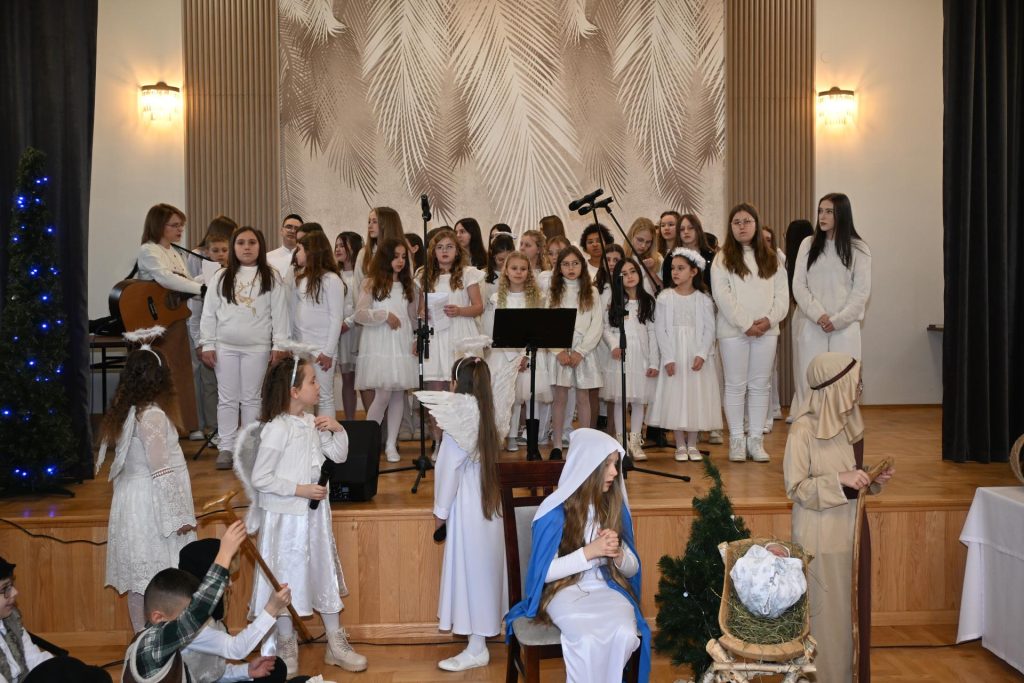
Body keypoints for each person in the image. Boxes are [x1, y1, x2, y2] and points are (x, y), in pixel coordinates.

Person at [246, 355, 366, 675]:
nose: (318, 386)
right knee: (286, 578)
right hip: (285, 520)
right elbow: (260, 477)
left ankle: (335, 643)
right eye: (312, 381)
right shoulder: (277, 429)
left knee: (322, 571)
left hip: (314, 518)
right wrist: (300, 489)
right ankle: (286, 643)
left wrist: (338, 428)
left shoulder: (311, 422)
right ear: (294, 391)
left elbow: (338, 455)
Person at [506, 429, 650, 683]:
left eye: (615, 465)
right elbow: (544, 573)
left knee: (625, 634)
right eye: (608, 465)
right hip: (564, 591)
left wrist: (618, 554)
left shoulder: (613, 508)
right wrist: (589, 552)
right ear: (588, 467)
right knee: (586, 639)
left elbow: (633, 569)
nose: (615, 473)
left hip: (607, 591)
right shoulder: (554, 512)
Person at [784, 352, 894, 683]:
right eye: (855, 383)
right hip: (821, 540)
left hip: (852, 534)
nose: (859, 389)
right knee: (827, 623)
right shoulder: (802, 430)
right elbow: (796, 488)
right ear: (835, 387)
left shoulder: (849, 425)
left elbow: (850, 476)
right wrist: (840, 480)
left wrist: (870, 479)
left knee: (850, 618)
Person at [417, 356, 514, 672]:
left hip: (469, 506)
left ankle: (476, 647)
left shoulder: (459, 421)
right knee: (486, 571)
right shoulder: (492, 413)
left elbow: (448, 470)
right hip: (492, 505)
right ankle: (480, 640)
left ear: (458, 384)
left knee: (472, 573)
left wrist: (440, 513)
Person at [97, 344, 197, 633]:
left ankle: (142, 639)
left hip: (133, 500)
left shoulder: (130, 411)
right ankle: (151, 642)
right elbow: (161, 470)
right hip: (150, 508)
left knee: (140, 583)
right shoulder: (152, 416)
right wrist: (179, 517)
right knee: (156, 580)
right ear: (160, 379)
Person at [200, 227, 290, 470]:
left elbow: (280, 314)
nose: (246, 247)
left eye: (252, 242)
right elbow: (209, 313)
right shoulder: (221, 276)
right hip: (224, 347)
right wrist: (207, 343)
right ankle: (227, 447)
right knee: (227, 399)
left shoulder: (271, 276)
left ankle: (249, 448)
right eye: (241, 242)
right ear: (233, 246)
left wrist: (280, 345)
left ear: (260, 246)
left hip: (257, 348)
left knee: (251, 399)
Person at [121, 521, 247, 683]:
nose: (193, 624)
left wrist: (247, 671)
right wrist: (224, 554)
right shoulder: (154, 646)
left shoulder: (171, 645)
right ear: (158, 617)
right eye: (185, 616)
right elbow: (197, 612)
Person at [711, 204, 788, 462]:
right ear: (730, 227)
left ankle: (756, 440)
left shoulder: (772, 258)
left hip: (767, 332)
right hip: (733, 332)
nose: (742, 226)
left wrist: (768, 321)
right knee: (735, 385)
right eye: (737, 222)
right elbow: (723, 296)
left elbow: (782, 297)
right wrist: (746, 324)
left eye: (747, 221)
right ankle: (736, 439)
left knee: (760, 386)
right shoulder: (722, 259)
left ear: (756, 224)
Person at [177, 540, 303, 683]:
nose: (230, 584)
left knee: (275, 668)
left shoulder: (208, 618)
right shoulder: (188, 623)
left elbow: (211, 673)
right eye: (226, 577)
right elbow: (236, 649)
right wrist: (272, 607)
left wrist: (247, 671)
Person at [791, 193, 872, 411]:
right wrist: (819, 315)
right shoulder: (808, 244)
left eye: (829, 211)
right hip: (812, 324)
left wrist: (837, 320)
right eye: (820, 211)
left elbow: (861, 293)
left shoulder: (859, 248)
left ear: (842, 214)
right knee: (810, 381)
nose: (822, 216)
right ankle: (810, 428)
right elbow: (799, 285)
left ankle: (841, 431)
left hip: (845, 328)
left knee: (844, 384)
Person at [419, 228, 486, 458]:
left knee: (461, 390)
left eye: (449, 247)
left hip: (459, 334)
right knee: (436, 393)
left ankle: (461, 441)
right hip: (436, 335)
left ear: (457, 250)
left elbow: (478, 307)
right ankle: (438, 443)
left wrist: (459, 311)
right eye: (439, 247)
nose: (444, 251)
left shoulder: (468, 274)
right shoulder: (425, 276)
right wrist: (423, 313)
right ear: (433, 252)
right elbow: (420, 309)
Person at [649, 249, 722, 461]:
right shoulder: (665, 298)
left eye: (680, 268)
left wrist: (702, 353)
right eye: (673, 268)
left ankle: (693, 444)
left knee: (694, 396)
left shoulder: (703, 299)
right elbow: (660, 329)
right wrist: (668, 357)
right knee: (676, 396)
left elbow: (709, 329)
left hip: (695, 355)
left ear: (693, 271)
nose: (675, 272)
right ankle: (680, 444)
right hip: (674, 353)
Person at [354, 238, 418, 462]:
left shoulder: (410, 285)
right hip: (380, 343)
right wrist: (383, 315)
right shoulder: (371, 283)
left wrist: (416, 338)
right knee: (382, 394)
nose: (400, 261)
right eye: (395, 256)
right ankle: (368, 442)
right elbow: (360, 314)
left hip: (401, 342)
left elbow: (413, 317)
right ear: (384, 258)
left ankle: (391, 444)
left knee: (398, 393)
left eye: (403, 257)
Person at [0, 557, 112, 682]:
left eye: (12, 585)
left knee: (92, 675)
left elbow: (34, 660)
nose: (14, 592)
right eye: (5, 589)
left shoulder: (11, 620)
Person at [482, 251, 550, 451]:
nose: (518, 272)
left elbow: (538, 330)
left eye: (523, 269)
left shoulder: (538, 298)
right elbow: (494, 331)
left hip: (530, 355)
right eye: (514, 268)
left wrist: (526, 356)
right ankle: (508, 435)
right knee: (508, 398)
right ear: (506, 271)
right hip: (504, 355)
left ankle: (531, 439)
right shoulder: (497, 299)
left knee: (530, 395)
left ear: (529, 272)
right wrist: (514, 357)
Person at [547, 246, 604, 460]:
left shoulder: (592, 292)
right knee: (560, 398)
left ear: (582, 265)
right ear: (559, 268)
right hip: (561, 349)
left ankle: (584, 443)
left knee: (583, 398)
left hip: (584, 351)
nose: (571, 268)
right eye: (566, 264)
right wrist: (558, 350)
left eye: (575, 263)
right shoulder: (553, 292)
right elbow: (547, 323)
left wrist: (581, 351)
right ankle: (557, 443)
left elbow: (596, 325)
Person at [603, 257, 659, 461]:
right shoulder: (615, 302)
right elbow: (606, 328)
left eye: (633, 271)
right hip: (621, 356)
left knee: (638, 401)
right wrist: (614, 345)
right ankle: (621, 443)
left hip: (641, 356)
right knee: (620, 400)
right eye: (624, 274)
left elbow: (653, 332)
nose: (629, 276)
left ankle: (635, 442)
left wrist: (654, 361)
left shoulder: (648, 301)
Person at [186, 218, 235, 442]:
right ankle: (211, 427)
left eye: (225, 250)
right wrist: (200, 341)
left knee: (230, 388)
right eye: (216, 250)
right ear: (207, 252)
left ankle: (230, 429)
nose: (221, 254)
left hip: (231, 340)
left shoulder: (237, 274)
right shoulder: (200, 279)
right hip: (210, 340)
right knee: (209, 385)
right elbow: (195, 312)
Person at [290, 231, 345, 418]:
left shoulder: (332, 280)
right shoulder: (301, 279)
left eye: (299, 249)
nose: (296, 254)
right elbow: (296, 315)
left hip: (322, 349)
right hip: (301, 347)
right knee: (302, 395)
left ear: (311, 252)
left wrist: (328, 352)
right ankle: (307, 434)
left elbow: (336, 318)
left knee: (324, 396)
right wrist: (294, 345)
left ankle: (326, 435)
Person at [136, 203, 203, 297]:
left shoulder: (176, 251)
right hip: (152, 305)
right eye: (175, 225)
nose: (180, 229)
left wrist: (210, 286)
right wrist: (202, 289)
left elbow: (186, 282)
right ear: (159, 226)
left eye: (181, 225)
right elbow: (166, 278)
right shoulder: (148, 250)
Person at [334, 232, 363, 421]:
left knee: (365, 380)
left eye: (343, 245)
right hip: (340, 334)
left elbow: (364, 303)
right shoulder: (333, 275)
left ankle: (374, 424)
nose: (338, 249)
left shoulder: (362, 274)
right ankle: (350, 422)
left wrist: (349, 322)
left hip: (359, 329)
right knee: (347, 379)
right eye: (336, 245)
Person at [623, 217, 662, 292]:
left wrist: (650, 271)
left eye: (648, 242)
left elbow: (662, 292)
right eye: (640, 240)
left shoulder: (658, 259)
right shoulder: (621, 257)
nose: (643, 245)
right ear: (631, 236)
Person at [482, 233, 516, 304]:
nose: (505, 263)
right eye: (501, 259)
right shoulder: (483, 275)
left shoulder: (517, 274)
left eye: (508, 259)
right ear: (493, 256)